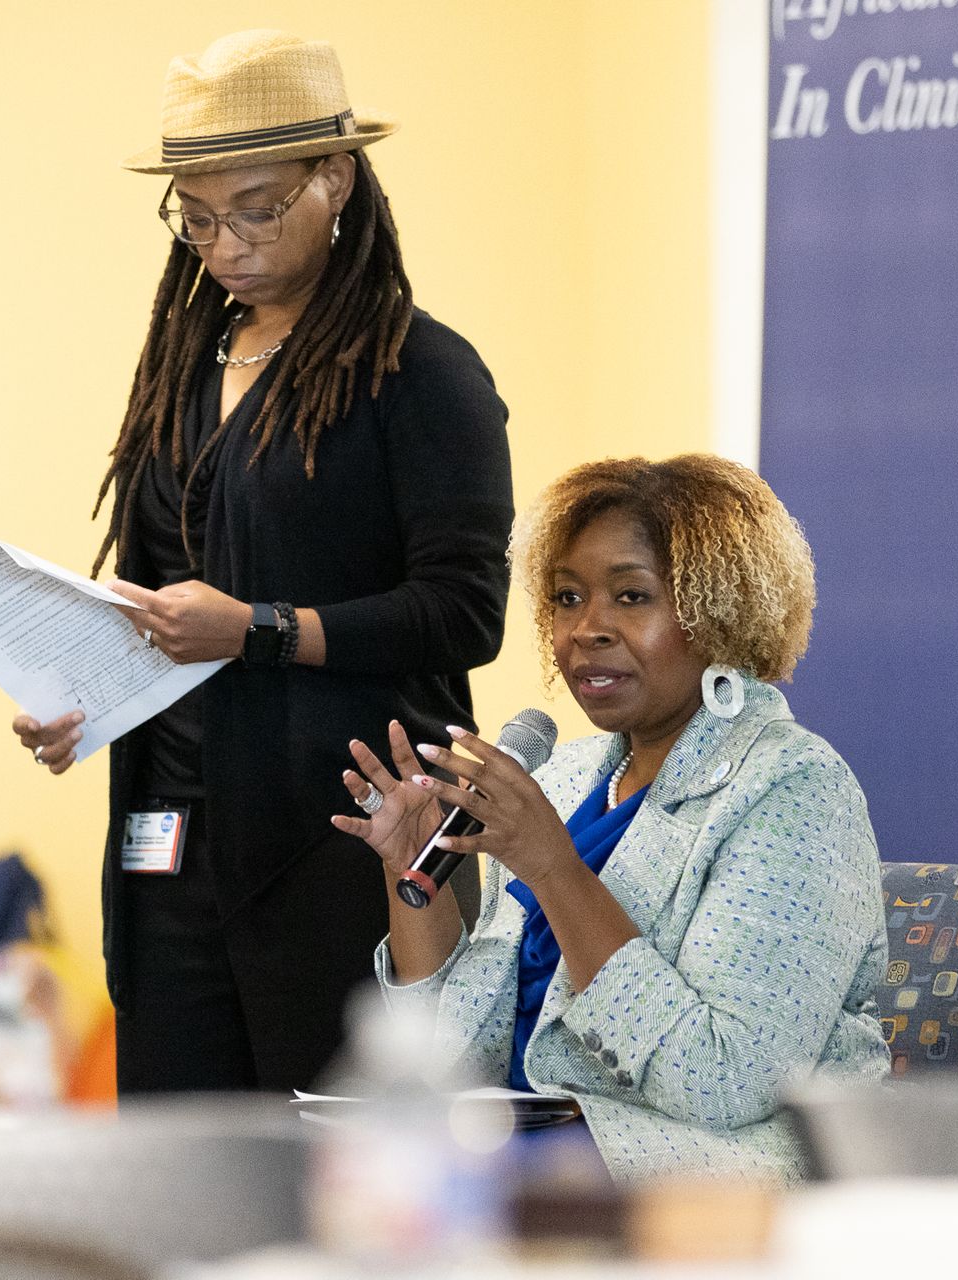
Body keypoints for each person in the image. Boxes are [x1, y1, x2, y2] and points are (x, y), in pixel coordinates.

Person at [9, 31, 511, 1093]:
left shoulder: (421, 371)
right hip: (172, 839)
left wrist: (262, 628)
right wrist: (79, 695)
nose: (222, 242)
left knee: (333, 1174)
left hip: (346, 835)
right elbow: (152, 595)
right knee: (182, 1171)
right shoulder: (184, 367)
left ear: (334, 180)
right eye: (194, 215)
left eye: (255, 207)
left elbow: (465, 611)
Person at [333, 455, 889, 1182]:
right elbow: (458, 1055)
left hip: (714, 1172)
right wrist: (416, 875)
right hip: (525, 1147)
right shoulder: (561, 780)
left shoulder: (793, 788)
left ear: (719, 612)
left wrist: (554, 869)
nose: (586, 629)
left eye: (631, 597)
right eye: (567, 598)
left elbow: (723, 1082)